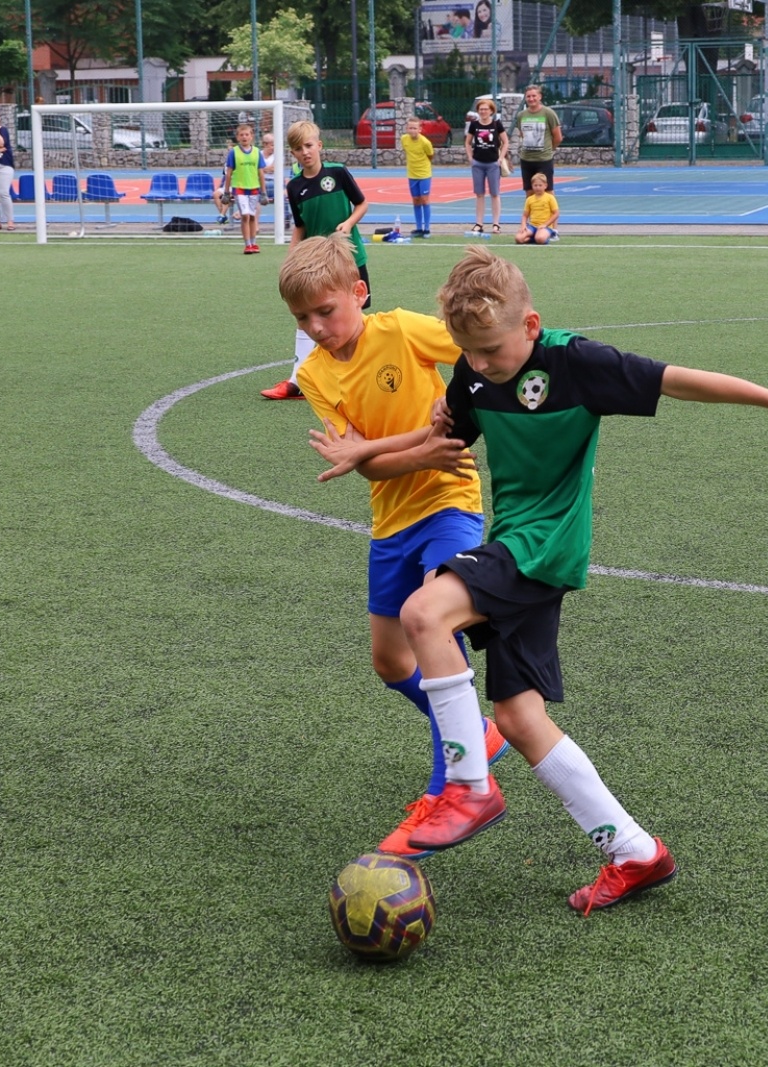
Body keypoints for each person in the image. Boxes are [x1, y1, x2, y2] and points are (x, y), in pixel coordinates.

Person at [312, 245, 768, 913]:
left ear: (530, 324)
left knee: (424, 615)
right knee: (521, 716)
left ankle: (469, 784)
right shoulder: (471, 377)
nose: (481, 366)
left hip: (544, 546)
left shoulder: (576, 363)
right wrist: (370, 452)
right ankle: (635, 851)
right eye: (467, 354)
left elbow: (680, 379)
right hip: (515, 545)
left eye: (493, 351)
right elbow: (442, 439)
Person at [280, 235, 508, 859]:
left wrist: (450, 419)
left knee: (435, 627)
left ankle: (452, 787)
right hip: (390, 522)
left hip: (449, 503)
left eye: (326, 310)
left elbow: (476, 358)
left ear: (359, 292)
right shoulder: (313, 375)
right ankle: (481, 735)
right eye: (302, 318)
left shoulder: (403, 330)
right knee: (389, 662)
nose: (316, 327)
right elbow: (367, 468)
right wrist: (419, 445)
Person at [260, 120, 369, 401]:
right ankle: (298, 382)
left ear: (319, 145)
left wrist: (348, 223)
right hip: (317, 265)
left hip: (350, 257)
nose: (305, 152)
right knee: (308, 317)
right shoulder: (295, 187)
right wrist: (292, 257)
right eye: (298, 148)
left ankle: (359, 374)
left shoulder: (338, 173)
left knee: (354, 315)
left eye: (309, 145)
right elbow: (300, 227)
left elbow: (362, 204)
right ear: (293, 154)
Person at [465, 97, 508, 236]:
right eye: (481, 109)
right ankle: (479, 223)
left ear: (491, 111)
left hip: (493, 164)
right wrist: (471, 158)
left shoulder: (497, 124)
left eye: (486, 109)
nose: (483, 111)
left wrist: (500, 158)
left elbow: (505, 142)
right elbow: (467, 142)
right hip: (478, 163)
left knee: (495, 194)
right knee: (479, 194)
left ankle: (496, 224)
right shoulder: (474, 125)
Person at [223, 123, 265, 253]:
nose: (244, 137)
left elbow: (261, 173)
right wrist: (226, 191)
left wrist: (263, 192)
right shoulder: (233, 153)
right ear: (238, 137)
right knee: (245, 215)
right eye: (242, 135)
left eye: (247, 134)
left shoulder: (257, 152)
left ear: (251, 136)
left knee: (252, 216)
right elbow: (229, 172)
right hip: (239, 188)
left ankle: (253, 243)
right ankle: (247, 244)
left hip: (254, 188)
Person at [513, 85, 562, 195]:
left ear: (540, 97)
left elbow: (558, 137)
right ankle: (532, 212)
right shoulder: (521, 115)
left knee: (547, 191)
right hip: (526, 160)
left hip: (543, 160)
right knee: (529, 192)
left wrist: (550, 149)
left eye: (534, 96)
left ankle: (552, 212)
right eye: (528, 96)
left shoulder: (548, 113)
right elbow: (522, 134)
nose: (531, 99)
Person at [400, 116, 435, 238]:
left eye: (415, 128)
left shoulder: (425, 142)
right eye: (410, 128)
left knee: (425, 199)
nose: (412, 130)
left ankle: (427, 229)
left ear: (420, 129)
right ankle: (419, 228)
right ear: (407, 129)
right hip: (412, 174)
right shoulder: (404, 139)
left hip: (424, 174)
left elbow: (430, 155)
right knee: (415, 200)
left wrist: (423, 166)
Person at [514, 170, 558, 244]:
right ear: (532, 186)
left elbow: (556, 213)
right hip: (532, 226)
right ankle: (533, 237)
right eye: (535, 185)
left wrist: (545, 224)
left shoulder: (550, 198)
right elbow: (525, 215)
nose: (538, 188)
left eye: (540, 185)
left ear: (545, 186)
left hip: (545, 227)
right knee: (518, 238)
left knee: (540, 239)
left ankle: (546, 235)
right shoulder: (529, 199)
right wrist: (523, 225)